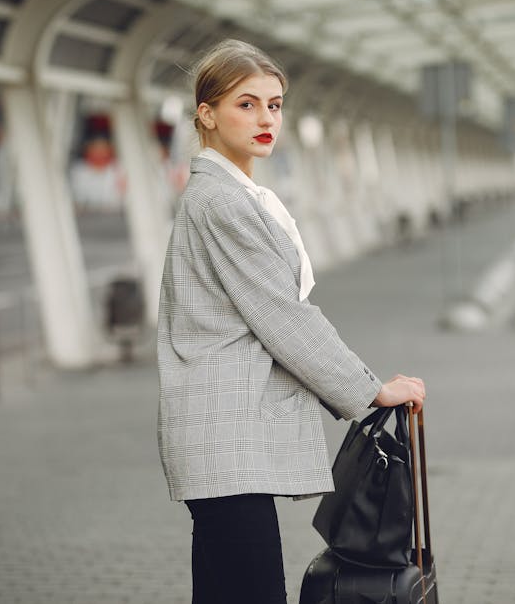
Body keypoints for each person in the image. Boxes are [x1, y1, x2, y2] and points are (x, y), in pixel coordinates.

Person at [157, 39, 426, 604]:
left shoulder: (233, 194)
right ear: (206, 113)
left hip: (221, 438)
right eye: (246, 104)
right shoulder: (224, 202)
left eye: (275, 105)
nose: (266, 119)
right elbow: (283, 316)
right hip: (224, 437)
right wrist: (371, 390)